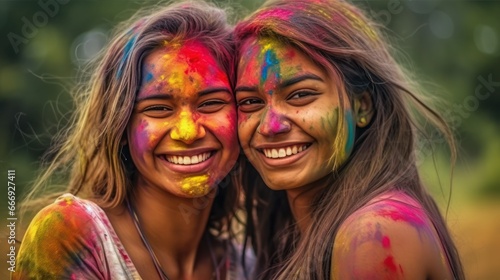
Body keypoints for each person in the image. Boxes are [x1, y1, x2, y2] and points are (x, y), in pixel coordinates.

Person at [13, 1, 253, 279]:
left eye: (211, 103)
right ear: (121, 125)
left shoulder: (247, 266)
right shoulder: (70, 235)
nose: (188, 132)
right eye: (159, 108)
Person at [233, 0, 465, 279]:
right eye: (249, 102)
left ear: (362, 107)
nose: (270, 126)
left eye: (300, 95)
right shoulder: (288, 232)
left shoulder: (373, 233)